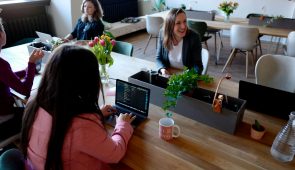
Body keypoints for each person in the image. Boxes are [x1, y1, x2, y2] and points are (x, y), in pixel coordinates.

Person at [20, 45, 135, 170]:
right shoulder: (81, 124)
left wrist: (98, 114)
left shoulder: (34, 101)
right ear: (86, 81)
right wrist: (122, 125)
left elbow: (67, 132)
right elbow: (115, 154)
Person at [0, 18, 44, 137]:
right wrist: (31, 63)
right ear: (0, 35)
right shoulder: (1, 64)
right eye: (3, 29)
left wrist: (27, 71)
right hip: (4, 121)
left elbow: (7, 76)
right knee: (40, 114)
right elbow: (25, 90)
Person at [156, 8, 203, 76]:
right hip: (169, 75)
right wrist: (162, 69)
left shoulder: (194, 37)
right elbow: (158, 58)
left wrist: (188, 76)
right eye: (178, 23)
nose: (183, 26)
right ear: (170, 25)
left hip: (186, 78)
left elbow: (198, 66)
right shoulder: (162, 33)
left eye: (184, 21)